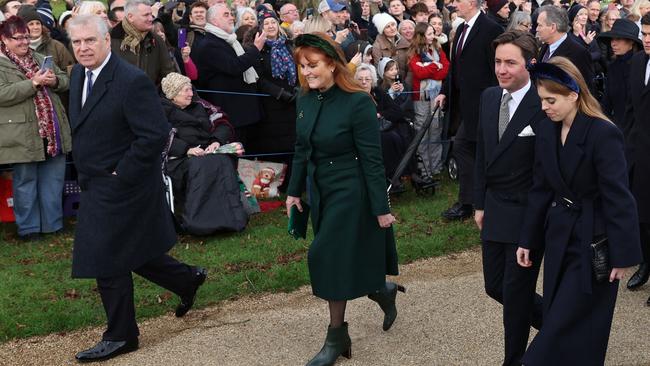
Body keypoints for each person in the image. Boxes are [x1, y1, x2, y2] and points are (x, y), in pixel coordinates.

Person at [67, 15, 207, 362]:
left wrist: (121, 173)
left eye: (90, 41)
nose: (83, 48)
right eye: (77, 42)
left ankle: (121, 335)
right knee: (132, 252)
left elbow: (155, 134)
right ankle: (187, 280)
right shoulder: (76, 75)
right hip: (95, 180)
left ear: (105, 41)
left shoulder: (131, 81)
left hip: (122, 184)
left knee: (105, 256)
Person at [285, 33, 402, 366]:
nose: (307, 72)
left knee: (326, 255)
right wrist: (294, 190)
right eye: (302, 66)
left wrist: (381, 208)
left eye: (313, 65)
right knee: (341, 256)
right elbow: (301, 148)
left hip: (352, 189)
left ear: (333, 65)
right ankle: (381, 289)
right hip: (321, 189)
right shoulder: (304, 100)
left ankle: (336, 337)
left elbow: (372, 158)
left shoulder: (358, 102)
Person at [516, 57, 642, 365]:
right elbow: (541, 189)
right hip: (558, 236)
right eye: (541, 99)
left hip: (593, 241)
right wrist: (527, 239)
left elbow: (618, 197)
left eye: (551, 99)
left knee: (562, 329)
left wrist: (623, 254)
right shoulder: (547, 131)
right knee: (560, 321)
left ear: (573, 94)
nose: (544, 107)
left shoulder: (603, 133)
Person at [473, 30, 545, 366]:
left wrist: (534, 227)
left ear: (531, 64)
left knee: (516, 295)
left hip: (527, 213)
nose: (501, 69)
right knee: (495, 287)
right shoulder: (489, 97)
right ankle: (557, 323)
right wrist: (478, 203)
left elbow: (546, 173)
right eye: (498, 61)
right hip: (494, 207)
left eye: (510, 63)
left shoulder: (543, 103)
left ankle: (513, 360)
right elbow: (482, 154)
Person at [0, 16, 71, 241]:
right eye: (17, 38)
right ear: (4, 39)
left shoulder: (40, 58)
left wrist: (54, 81)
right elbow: (3, 94)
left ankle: (53, 224)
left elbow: (64, 80)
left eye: (26, 37)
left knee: (53, 179)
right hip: (22, 133)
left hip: (52, 131)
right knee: (25, 183)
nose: (23, 42)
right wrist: (32, 84)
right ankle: (29, 230)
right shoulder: (1, 64)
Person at [435, 0, 503, 221]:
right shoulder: (462, 29)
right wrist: (445, 90)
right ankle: (471, 201)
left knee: (473, 150)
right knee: (466, 148)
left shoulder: (491, 29)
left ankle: (477, 202)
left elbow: (497, 69)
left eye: (459, 0)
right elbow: (456, 66)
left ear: (472, 2)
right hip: (465, 106)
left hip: (485, 104)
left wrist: (496, 101)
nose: (454, 4)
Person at [160, 73, 248, 234]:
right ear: (173, 94)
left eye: (191, 90)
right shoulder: (160, 111)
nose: (191, 94)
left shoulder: (201, 105)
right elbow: (159, 136)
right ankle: (198, 222)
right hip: (178, 159)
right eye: (186, 90)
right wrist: (186, 149)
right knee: (202, 165)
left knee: (222, 160)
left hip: (208, 151)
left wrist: (216, 141)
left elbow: (222, 122)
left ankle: (233, 219)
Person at [192, 3, 266, 143]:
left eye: (231, 14)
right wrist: (255, 49)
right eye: (226, 15)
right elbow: (233, 67)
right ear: (214, 20)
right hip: (232, 115)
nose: (231, 17)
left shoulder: (228, 40)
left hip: (244, 113)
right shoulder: (209, 44)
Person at [624, 14, 650, 301]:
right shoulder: (637, 62)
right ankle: (646, 263)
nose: (647, 38)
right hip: (637, 150)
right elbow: (631, 107)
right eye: (644, 33)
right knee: (641, 214)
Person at [408, 22, 449, 182]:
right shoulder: (414, 53)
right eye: (430, 33)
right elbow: (419, 72)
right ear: (421, 36)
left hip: (437, 96)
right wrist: (434, 66)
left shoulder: (438, 49)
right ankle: (424, 168)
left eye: (433, 33)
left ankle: (436, 167)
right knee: (422, 132)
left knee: (435, 130)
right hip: (422, 98)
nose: (433, 36)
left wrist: (430, 68)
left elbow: (445, 69)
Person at [354, 63, 408, 182]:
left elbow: (396, 110)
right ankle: (392, 175)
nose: (364, 82)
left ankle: (409, 172)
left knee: (405, 131)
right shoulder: (354, 96)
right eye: (360, 79)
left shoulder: (377, 92)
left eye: (367, 79)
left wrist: (380, 114)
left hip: (383, 127)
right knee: (389, 138)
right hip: (367, 133)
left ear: (372, 80)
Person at [109, 0, 175, 84]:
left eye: (151, 14)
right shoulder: (110, 38)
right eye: (146, 15)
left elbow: (169, 73)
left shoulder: (156, 40)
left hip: (148, 95)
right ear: (130, 17)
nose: (151, 18)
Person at [536, 5, 595, 90]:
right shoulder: (545, 46)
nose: (537, 29)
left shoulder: (579, 53)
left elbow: (586, 88)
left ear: (553, 27)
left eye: (539, 25)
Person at [598, 18, 640, 130]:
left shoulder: (641, 66)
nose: (613, 43)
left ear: (631, 41)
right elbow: (607, 100)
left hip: (638, 130)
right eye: (612, 39)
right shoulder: (613, 66)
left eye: (618, 39)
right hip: (616, 127)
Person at [372, 12, 410, 81]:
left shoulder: (404, 41)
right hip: (389, 85)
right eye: (387, 27)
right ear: (382, 30)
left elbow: (410, 68)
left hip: (406, 84)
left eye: (393, 24)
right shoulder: (377, 46)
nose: (392, 28)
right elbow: (379, 71)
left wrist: (407, 84)